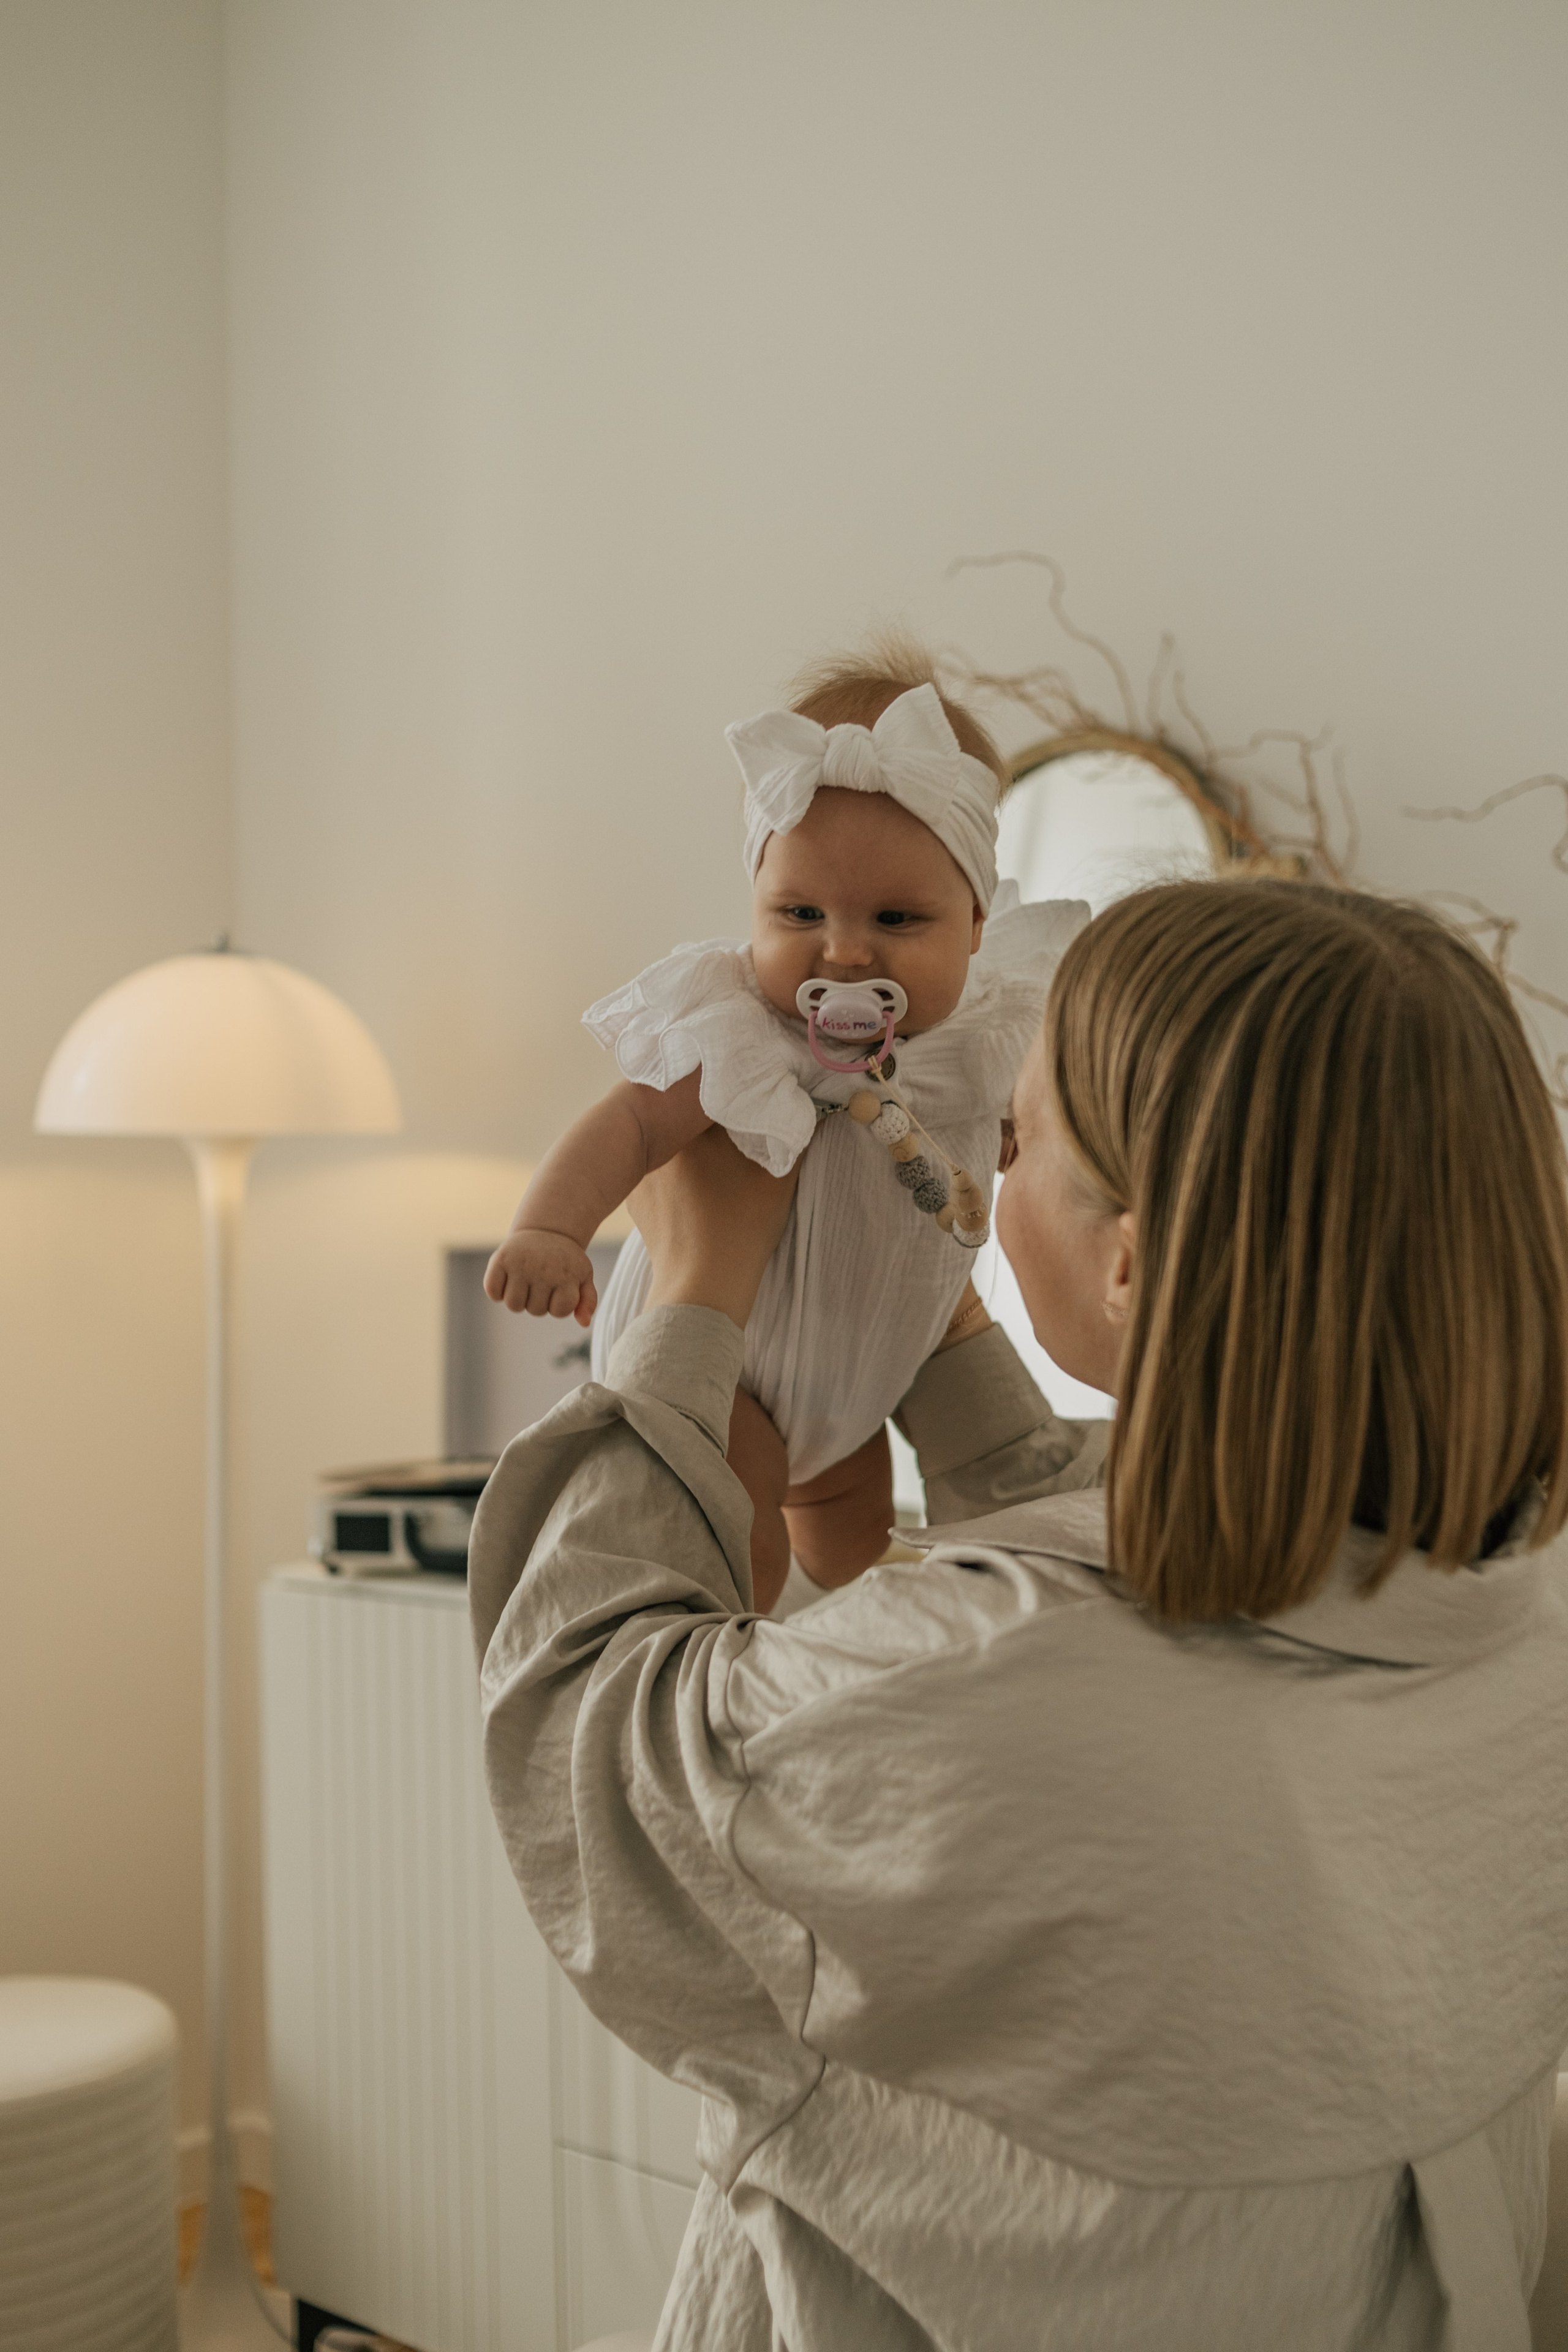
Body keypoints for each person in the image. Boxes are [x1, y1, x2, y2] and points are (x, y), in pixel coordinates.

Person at [470, 878, 1568, 2351]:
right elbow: (1153, 1550)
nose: (989, 1149)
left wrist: (689, 1286)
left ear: (1126, 1261)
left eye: (1025, 1132)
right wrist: (945, 1336)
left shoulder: (980, 1684)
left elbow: (590, 1732)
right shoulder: (1504, 1622)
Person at [483, 641, 1084, 1604]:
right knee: (739, 1533)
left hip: (874, 1361)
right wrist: (550, 1227)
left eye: (895, 920)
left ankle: (856, 1641)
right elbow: (632, 1130)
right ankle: (734, 1656)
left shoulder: (989, 1039)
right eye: (800, 910)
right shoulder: (749, 1034)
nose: (843, 952)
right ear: (753, 905)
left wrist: (1011, 1139)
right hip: (728, 1370)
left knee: (860, 1541)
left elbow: (1027, 1143)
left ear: (976, 924)